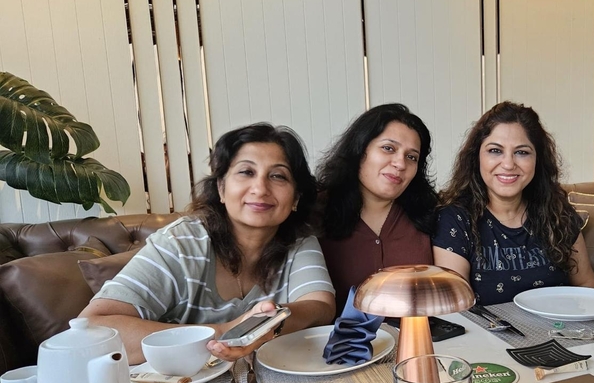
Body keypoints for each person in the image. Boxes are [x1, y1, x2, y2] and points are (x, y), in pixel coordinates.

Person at [79, 123, 336, 363]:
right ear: (221, 188)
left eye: (278, 176)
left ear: (296, 197)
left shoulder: (299, 243)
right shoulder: (181, 243)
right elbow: (92, 329)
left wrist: (270, 321)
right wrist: (225, 332)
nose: (260, 188)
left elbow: (320, 307)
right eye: (246, 172)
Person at [432, 101, 594, 305]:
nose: (508, 164)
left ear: (538, 159)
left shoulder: (558, 212)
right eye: (495, 150)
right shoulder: (455, 219)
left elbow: (586, 285)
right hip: (485, 327)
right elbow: (454, 306)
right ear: (476, 157)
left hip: (561, 324)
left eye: (522, 152)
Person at [315, 103, 438, 315]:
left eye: (411, 157)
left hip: (419, 334)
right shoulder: (313, 211)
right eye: (388, 148)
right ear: (360, 149)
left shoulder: (431, 214)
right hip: (334, 336)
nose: (400, 164)